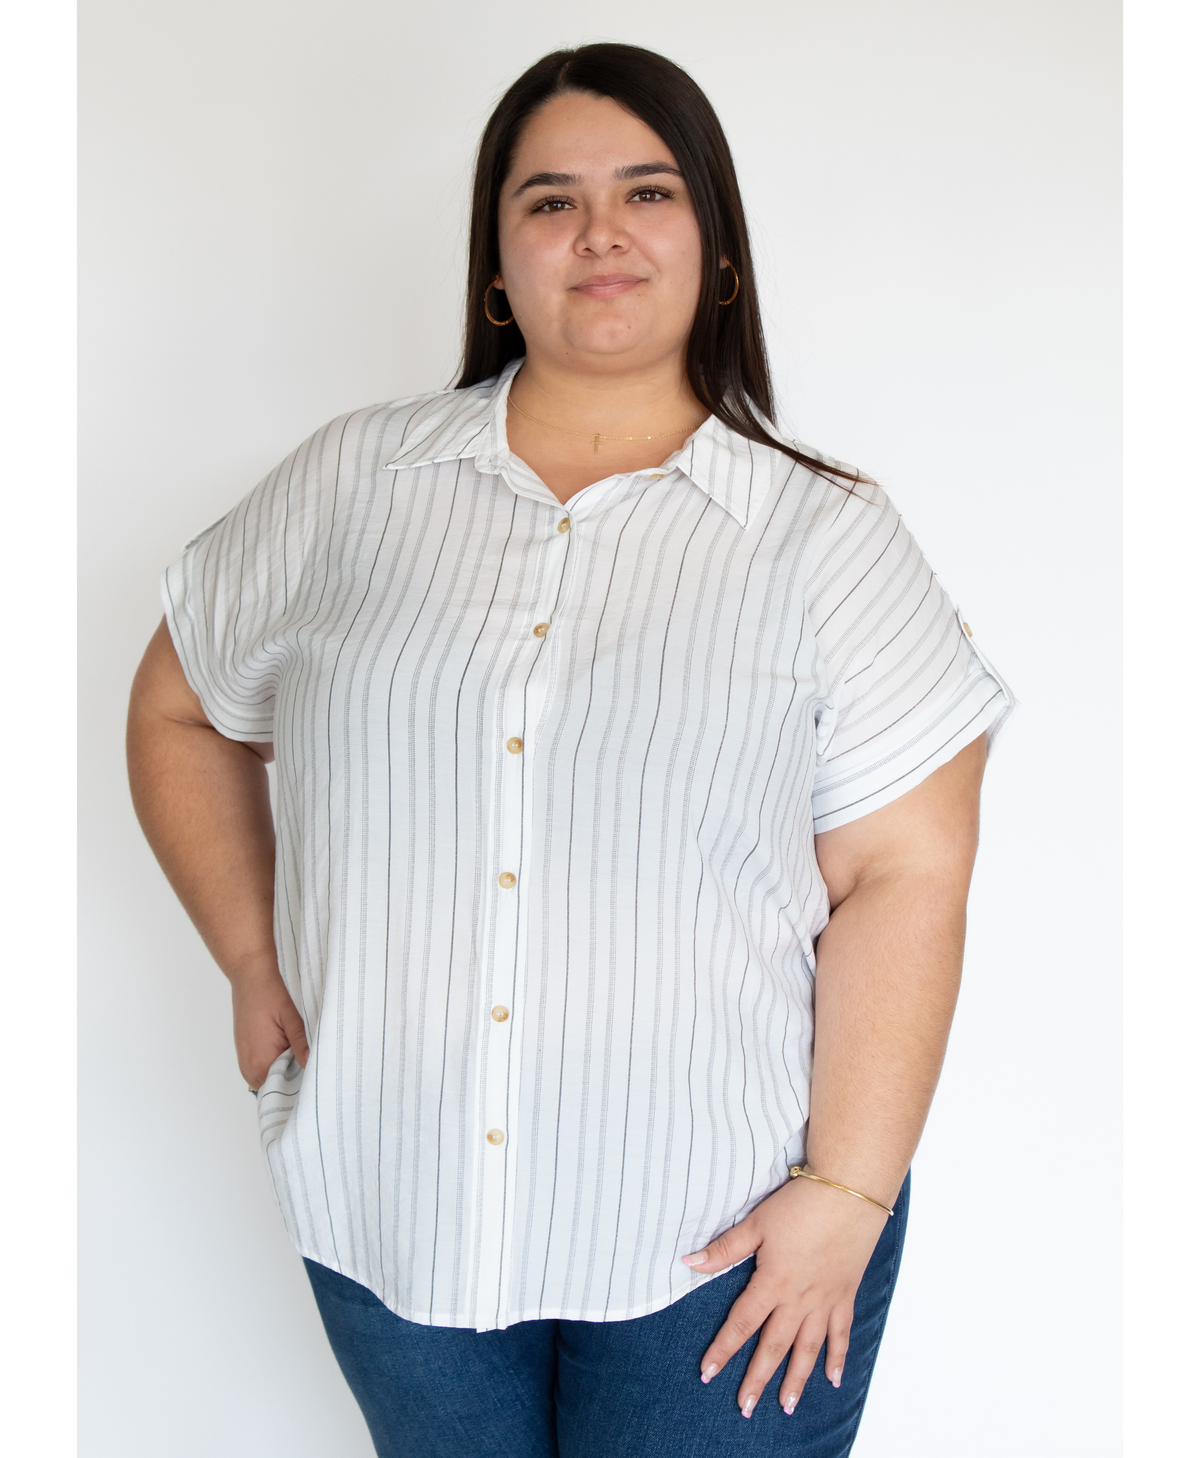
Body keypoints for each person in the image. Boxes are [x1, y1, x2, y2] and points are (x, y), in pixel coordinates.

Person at [127, 42, 1013, 1458]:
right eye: (548, 201)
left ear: (716, 250)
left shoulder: (825, 540)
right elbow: (178, 705)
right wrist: (248, 954)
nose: (599, 232)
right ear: (496, 264)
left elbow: (910, 873)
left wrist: (847, 1193)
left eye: (647, 191)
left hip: (722, 1243)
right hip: (393, 1205)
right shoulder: (356, 484)